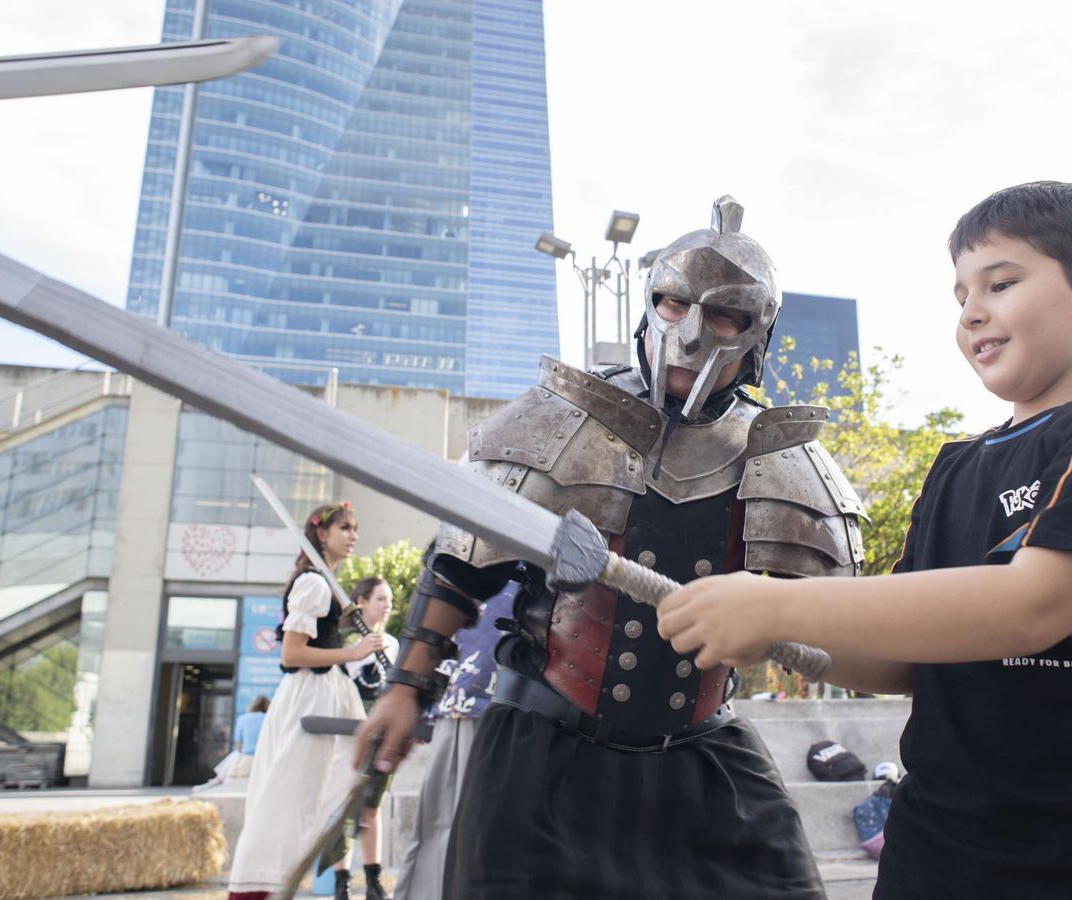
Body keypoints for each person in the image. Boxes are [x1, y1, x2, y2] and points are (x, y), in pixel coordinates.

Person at [656, 182, 1072, 898]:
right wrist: (769, 638)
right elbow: (908, 660)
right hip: (941, 851)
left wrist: (776, 607)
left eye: (1000, 283)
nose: (973, 311)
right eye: (960, 294)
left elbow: (1035, 604)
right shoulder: (956, 467)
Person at [360, 196, 864, 899]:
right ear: (647, 304)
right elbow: (460, 564)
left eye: (723, 314)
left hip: (701, 759)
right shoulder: (560, 419)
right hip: (543, 761)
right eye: (671, 302)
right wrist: (407, 687)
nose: (690, 332)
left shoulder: (784, 460)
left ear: (758, 334)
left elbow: (829, 615)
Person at [227, 501, 385, 900]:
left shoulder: (325, 582)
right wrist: (352, 652)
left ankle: (293, 883)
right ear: (321, 534)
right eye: (345, 528)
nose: (353, 535)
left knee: (331, 793)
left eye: (355, 528)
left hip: (329, 694)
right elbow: (291, 655)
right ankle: (255, 886)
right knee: (287, 797)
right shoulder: (313, 583)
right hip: (310, 697)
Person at [390, 575, 515, 900]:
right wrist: (410, 688)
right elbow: (455, 571)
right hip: (480, 691)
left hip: (564, 696)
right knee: (449, 838)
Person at [338, 576, 401, 900]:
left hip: (380, 735)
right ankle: (341, 882)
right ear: (360, 601)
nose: (387, 605)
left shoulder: (392, 644)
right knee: (343, 807)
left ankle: (373, 881)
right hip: (347, 732)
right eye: (380, 598)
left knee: (372, 808)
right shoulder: (344, 640)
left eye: (389, 599)